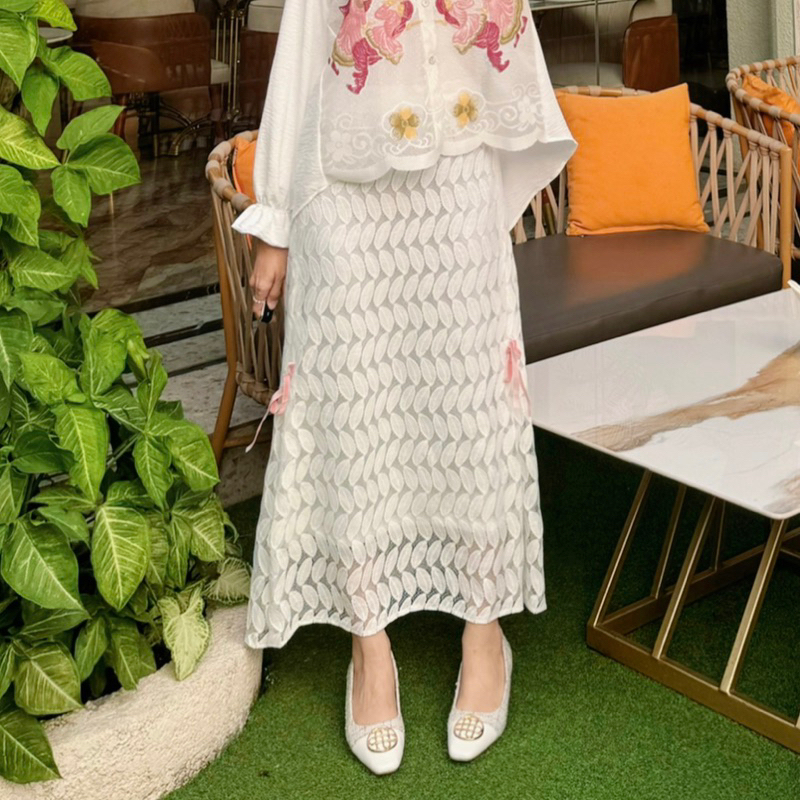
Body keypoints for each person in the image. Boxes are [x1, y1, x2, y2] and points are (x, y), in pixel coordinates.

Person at [232, 0, 576, 774]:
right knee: (353, 402)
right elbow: (301, 51)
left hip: (457, 172)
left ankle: (484, 632)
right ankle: (369, 645)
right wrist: (276, 223)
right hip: (342, 187)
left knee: (470, 405)